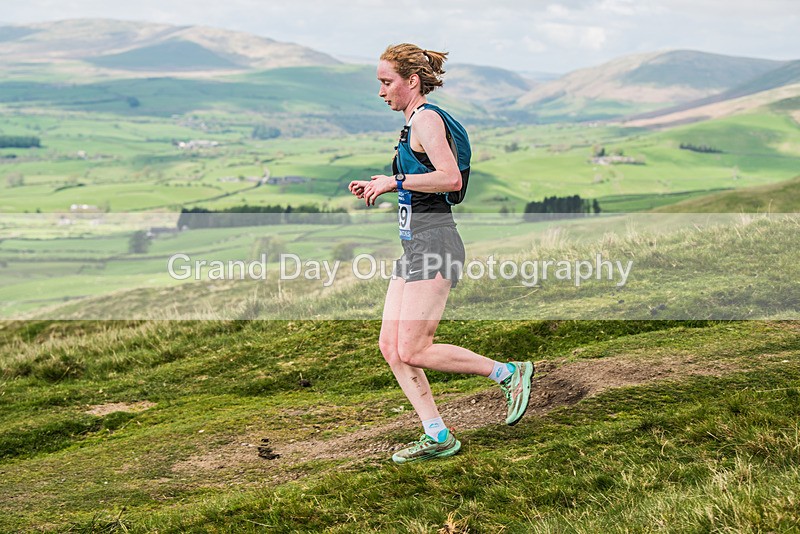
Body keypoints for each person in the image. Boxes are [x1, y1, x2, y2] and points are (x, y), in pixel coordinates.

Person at [348, 43, 534, 464]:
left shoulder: (426, 120)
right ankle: (438, 435)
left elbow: (450, 179)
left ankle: (508, 373)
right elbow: (420, 175)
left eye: (386, 82)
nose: (381, 92)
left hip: (435, 243)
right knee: (391, 347)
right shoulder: (415, 122)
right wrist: (383, 180)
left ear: (410, 81)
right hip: (415, 244)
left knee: (414, 347)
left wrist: (394, 184)